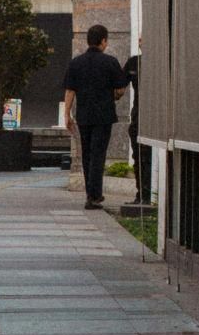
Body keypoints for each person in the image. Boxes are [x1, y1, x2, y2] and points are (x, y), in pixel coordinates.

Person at [63, 24, 128, 210]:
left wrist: (67, 114)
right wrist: (115, 95)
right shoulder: (110, 62)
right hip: (104, 116)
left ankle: (90, 194)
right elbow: (120, 88)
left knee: (87, 154)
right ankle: (94, 196)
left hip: (83, 115)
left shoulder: (76, 63)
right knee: (98, 155)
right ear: (103, 41)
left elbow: (70, 90)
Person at [123, 40, 148, 205]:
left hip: (154, 115)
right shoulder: (133, 62)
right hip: (138, 116)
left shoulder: (160, 63)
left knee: (147, 156)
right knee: (138, 156)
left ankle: (146, 194)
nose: (140, 42)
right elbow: (119, 85)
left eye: (143, 38)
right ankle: (141, 193)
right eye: (139, 39)